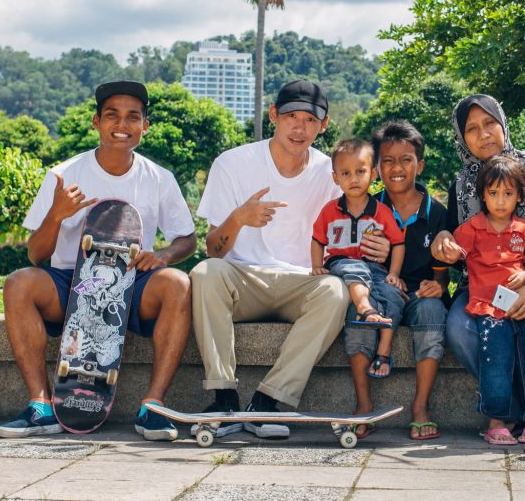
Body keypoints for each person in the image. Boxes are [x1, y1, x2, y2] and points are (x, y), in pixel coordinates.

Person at [0, 81, 196, 441]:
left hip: (131, 284)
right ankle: (40, 406)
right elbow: (36, 254)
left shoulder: (159, 178)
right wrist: (56, 214)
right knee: (18, 282)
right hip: (69, 283)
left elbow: (188, 239)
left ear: (144, 126)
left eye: (133, 117)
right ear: (96, 122)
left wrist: (162, 255)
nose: (123, 124)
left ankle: (153, 406)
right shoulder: (63, 174)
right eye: (112, 115)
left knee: (178, 283)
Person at [189, 80, 390, 439]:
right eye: (290, 117)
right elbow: (213, 249)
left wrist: (382, 249)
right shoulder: (233, 164)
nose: (299, 128)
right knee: (205, 272)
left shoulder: (333, 173)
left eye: (310, 120)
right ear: (273, 116)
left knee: (334, 290)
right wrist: (238, 218)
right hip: (242, 280)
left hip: (301, 282)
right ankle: (223, 397)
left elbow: (353, 237)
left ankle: (267, 403)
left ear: (323, 125)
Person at [432, 94, 525, 446]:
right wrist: (444, 240)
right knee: (459, 327)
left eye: (489, 123)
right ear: (462, 138)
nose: (483, 134)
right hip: (480, 288)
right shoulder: (462, 184)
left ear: (503, 123)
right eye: (472, 129)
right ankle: (512, 409)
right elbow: (453, 239)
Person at [344, 120, 450, 440]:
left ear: (421, 164)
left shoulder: (438, 213)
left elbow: (442, 271)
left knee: (432, 309)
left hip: (419, 292)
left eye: (406, 160)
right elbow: (352, 262)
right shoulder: (365, 208)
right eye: (387, 161)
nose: (397, 168)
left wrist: (439, 285)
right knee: (357, 312)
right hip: (378, 288)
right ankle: (364, 406)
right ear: (376, 168)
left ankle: (420, 408)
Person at [454, 155, 525, 445]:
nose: (501, 201)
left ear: (519, 196)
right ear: (482, 195)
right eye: (493, 194)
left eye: (508, 194)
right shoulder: (471, 229)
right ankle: (496, 421)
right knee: (496, 360)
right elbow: (450, 255)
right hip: (488, 308)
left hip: (520, 307)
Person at [312, 138, 406, 380]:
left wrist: (393, 274)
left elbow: (398, 243)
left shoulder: (382, 212)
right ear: (336, 178)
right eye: (345, 173)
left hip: (374, 268)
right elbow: (318, 240)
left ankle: (383, 351)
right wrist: (316, 266)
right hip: (340, 264)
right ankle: (364, 307)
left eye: (360, 171)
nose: (353, 179)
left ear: (373, 173)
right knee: (354, 268)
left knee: (394, 297)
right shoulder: (330, 210)